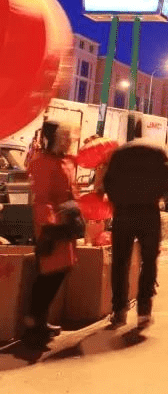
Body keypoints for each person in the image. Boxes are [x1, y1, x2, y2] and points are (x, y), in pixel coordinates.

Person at [102, 117, 168, 329]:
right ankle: (144, 310)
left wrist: (118, 201)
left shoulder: (119, 153)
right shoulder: (156, 152)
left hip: (123, 213)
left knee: (120, 263)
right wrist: (158, 196)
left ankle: (119, 310)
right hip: (148, 212)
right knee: (149, 261)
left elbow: (108, 181)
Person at [24, 121, 80, 348]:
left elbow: (70, 189)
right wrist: (49, 226)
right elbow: (41, 198)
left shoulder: (64, 161)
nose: (69, 141)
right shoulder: (43, 162)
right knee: (48, 275)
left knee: (59, 271)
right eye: (64, 137)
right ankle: (33, 324)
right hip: (51, 228)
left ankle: (40, 321)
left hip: (63, 225)